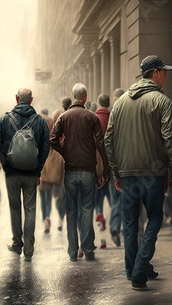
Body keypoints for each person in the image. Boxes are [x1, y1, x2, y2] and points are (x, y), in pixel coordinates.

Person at [104, 55, 172, 290]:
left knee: (131, 222)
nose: (166, 75)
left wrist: (117, 172)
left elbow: (108, 140)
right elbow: (170, 140)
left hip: (127, 174)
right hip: (153, 173)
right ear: (154, 73)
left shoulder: (119, 103)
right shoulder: (162, 101)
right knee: (155, 217)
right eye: (164, 71)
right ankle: (139, 270)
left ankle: (133, 268)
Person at [50, 83, 110, 261]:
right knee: (87, 210)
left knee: (72, 211)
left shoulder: (64, 117)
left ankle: (72, 252)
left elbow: (52, 140)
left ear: (74, 96)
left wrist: (65, 152)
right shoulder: (91, 118)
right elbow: (100, 143)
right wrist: (105, 169)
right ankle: (88, 249)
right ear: (84, 97)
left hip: (71, 170)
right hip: (88, 171)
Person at [0, 88, 50, 262]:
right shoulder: (40, 121)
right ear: (31, 100)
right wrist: (38, 169)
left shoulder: (4, 119)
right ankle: (29, 251)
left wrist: (5, 163)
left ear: (17, 98)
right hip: (31, 174)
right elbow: (45, 148)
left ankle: (17, 243)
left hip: (12, 173)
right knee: (30, 209)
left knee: (15, 208)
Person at [38, 108, 65, 233]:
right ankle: (60, 218)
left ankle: (46, 218)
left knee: (45, 195)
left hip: (45, 167)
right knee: (59, 196)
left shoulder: (41, 127)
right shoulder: (61, 130)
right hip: (58, 168)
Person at [51, 96, 72, 231]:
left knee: (60, 193)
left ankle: (61, 218)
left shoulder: (58, 116)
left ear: (63, 105)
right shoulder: (82, 115)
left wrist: (60, 151)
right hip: (75, 160)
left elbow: (53, 139)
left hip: (61, 161)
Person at [108, 88, 125, 246]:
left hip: (113, 164)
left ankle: (114, 226)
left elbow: (108, 141)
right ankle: (124, 229)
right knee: (126, 199)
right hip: (127, 163)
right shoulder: (128, 112)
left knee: (115, 199)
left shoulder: (111, 114)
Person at [93, 94, 111, 232]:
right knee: (112, 193)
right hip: (111, 159)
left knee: (98, 191)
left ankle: (99, 212)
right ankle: (115, 219)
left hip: (97, 160)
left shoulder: (93, 118)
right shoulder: (112, 117)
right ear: (109, 103)